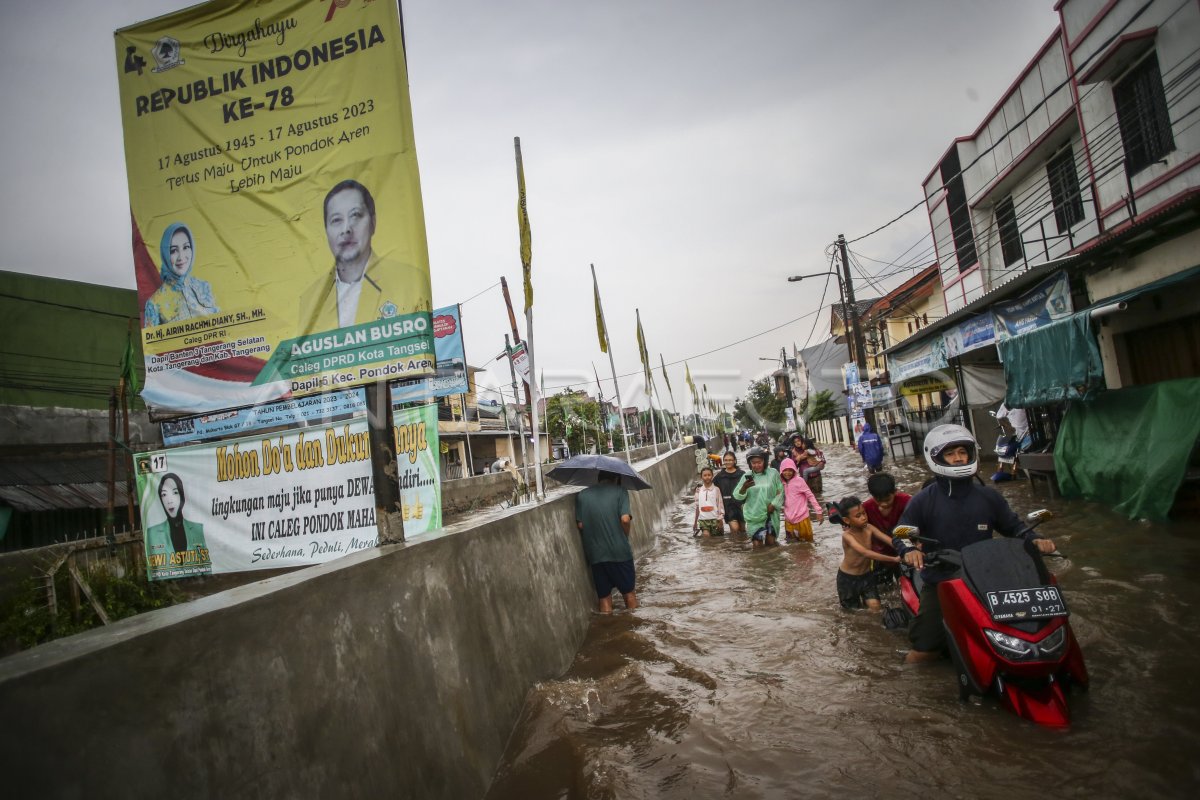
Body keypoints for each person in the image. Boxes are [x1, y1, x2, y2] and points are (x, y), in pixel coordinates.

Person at [892, 424, 1057, 664]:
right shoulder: (922, 500)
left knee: (1025, 629)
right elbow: (900, 534)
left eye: (962, 452)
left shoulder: (988, 496)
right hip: (941, 581)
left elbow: (1015, 527)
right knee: (924, 653)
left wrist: (1036, 540)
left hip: (986, 578)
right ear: (937, 457)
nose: (958, 458)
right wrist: (907, 551)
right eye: (950, 453)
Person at [299, 179, 428, 332]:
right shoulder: (310, 299)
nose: (346, 229)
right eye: (336, 220)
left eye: (355, 215)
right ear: (326, 230)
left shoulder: (408, 280)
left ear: (373, 222)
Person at [575, 471, 638, 614]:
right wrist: (625, 535)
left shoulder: (583, 495)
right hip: (619, 552)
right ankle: (634, 627)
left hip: (595, 554)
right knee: (629, 594)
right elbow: (625, 519)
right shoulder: (620, 492)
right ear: (616, 478)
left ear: (599, 478)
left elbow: (581, 525)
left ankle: (607, 626)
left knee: (604, 597)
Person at [143, 222, 219, 326]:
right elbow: (152, 342)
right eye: (173, 250)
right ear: (165, 254)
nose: (181, 257)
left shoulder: (204, 287)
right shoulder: (154, 304)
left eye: (186, 247)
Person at [835, 495, 900, 610]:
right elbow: (866, 553)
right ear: (846, 520)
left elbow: (889, 540)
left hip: (867, 576)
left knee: (875, 607)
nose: (864, 518)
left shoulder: (869, 528)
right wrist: (893, 559)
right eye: (858, 516)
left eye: (864, 513)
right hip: (848, 579)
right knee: (851, 612)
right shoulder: (847, 536)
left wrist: (906, 548)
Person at [143, 473, 211, 578]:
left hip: (196, 588)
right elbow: (152, 572)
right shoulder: (152, 534)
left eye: (174, 492)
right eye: (164, 494)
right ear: (161, 500)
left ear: (182, 496)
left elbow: (207, 569)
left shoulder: (197, 529)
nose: (169, 500)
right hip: (169, 591)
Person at [863, 472, 912, 584]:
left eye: (887, 499)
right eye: (879, 500)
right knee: (884, 588)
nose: (884, 504)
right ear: (872, 496)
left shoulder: (907, 501)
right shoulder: (865, 508)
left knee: (909, 584)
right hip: (881, 556)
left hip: (906, 551)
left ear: (895, 492)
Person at [733, 447, 783, 547]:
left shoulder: (773, 473)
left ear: (764, 461)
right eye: (753, 463)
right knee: (757, 547)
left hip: (771, 514)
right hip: (754, 516)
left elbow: (780, 491)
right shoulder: (747, 476)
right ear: (750, 463)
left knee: (771, 544)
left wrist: (774, 504)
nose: (756, 465)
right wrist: (744, 487)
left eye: (759, 462)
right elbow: (737, 496)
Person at [780, 457, 824, 542]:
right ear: (781, 471)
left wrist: (819, 511)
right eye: (785, 470)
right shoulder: (782, 483)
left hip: (802, 518)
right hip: (788, 519)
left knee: (807, 544)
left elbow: (810, 496)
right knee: (792, 545)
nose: (787, 473)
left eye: (790, 470)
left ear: (794, 470)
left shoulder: (799, 481)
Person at [712, 451, 745, 535]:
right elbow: (712, 489)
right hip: (728, 507)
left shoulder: (742, 474)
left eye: (730, 460)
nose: (728, 462)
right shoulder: (719, 476)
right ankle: (735, 546)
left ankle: (741, 547)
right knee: (735, 530)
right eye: (726, 460)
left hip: (741, 506)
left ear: (735, 461)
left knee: (743, 531)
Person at [693, 467, 725, 538]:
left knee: (717, 540)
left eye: (709, 475)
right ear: (701, 477)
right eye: (705, 475)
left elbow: (720, 505)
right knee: (706, 535)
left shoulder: (716, 490)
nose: (707, 477)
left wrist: (720, 519)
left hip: (715, 519)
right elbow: (697, 507)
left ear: (712, 476)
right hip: (703, 520)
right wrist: (695, 522)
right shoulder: (698, 491)